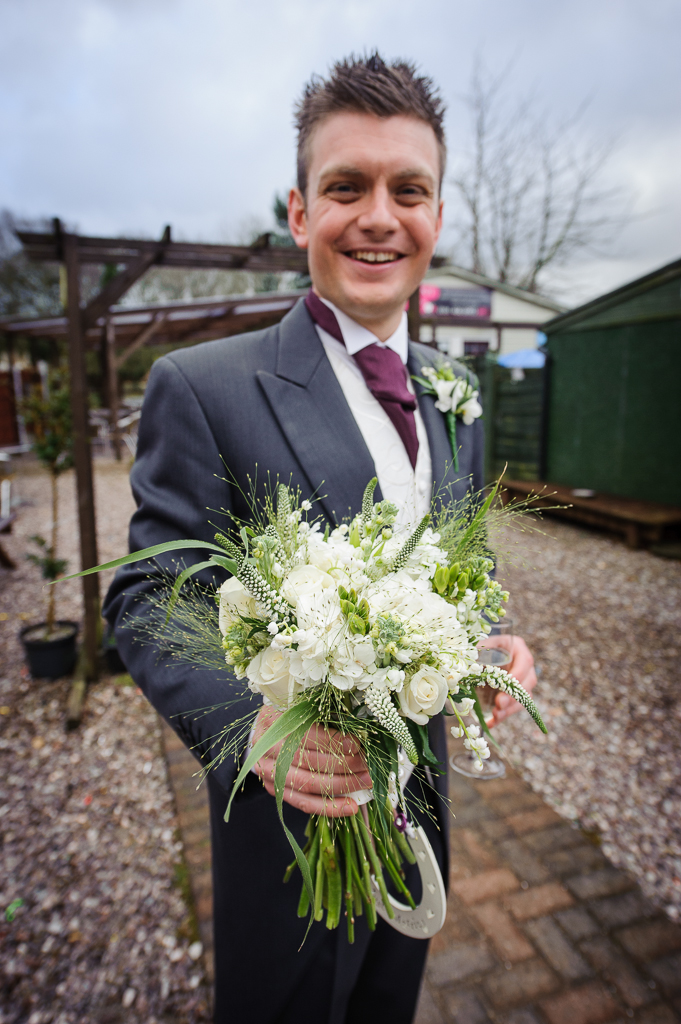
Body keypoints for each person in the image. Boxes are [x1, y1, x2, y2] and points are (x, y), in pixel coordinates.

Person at [104, 53, 536, 1024]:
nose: (380, 215)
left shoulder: (452, 394)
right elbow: (147, 596)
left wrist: (489, 642)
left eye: (408, 189)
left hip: (421, 804)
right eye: (347, 186)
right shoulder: (203, 387)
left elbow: (461, 562)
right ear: (300, 214)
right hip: (288, 828)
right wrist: (252, 731)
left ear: (435, 215)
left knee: (391, 999)